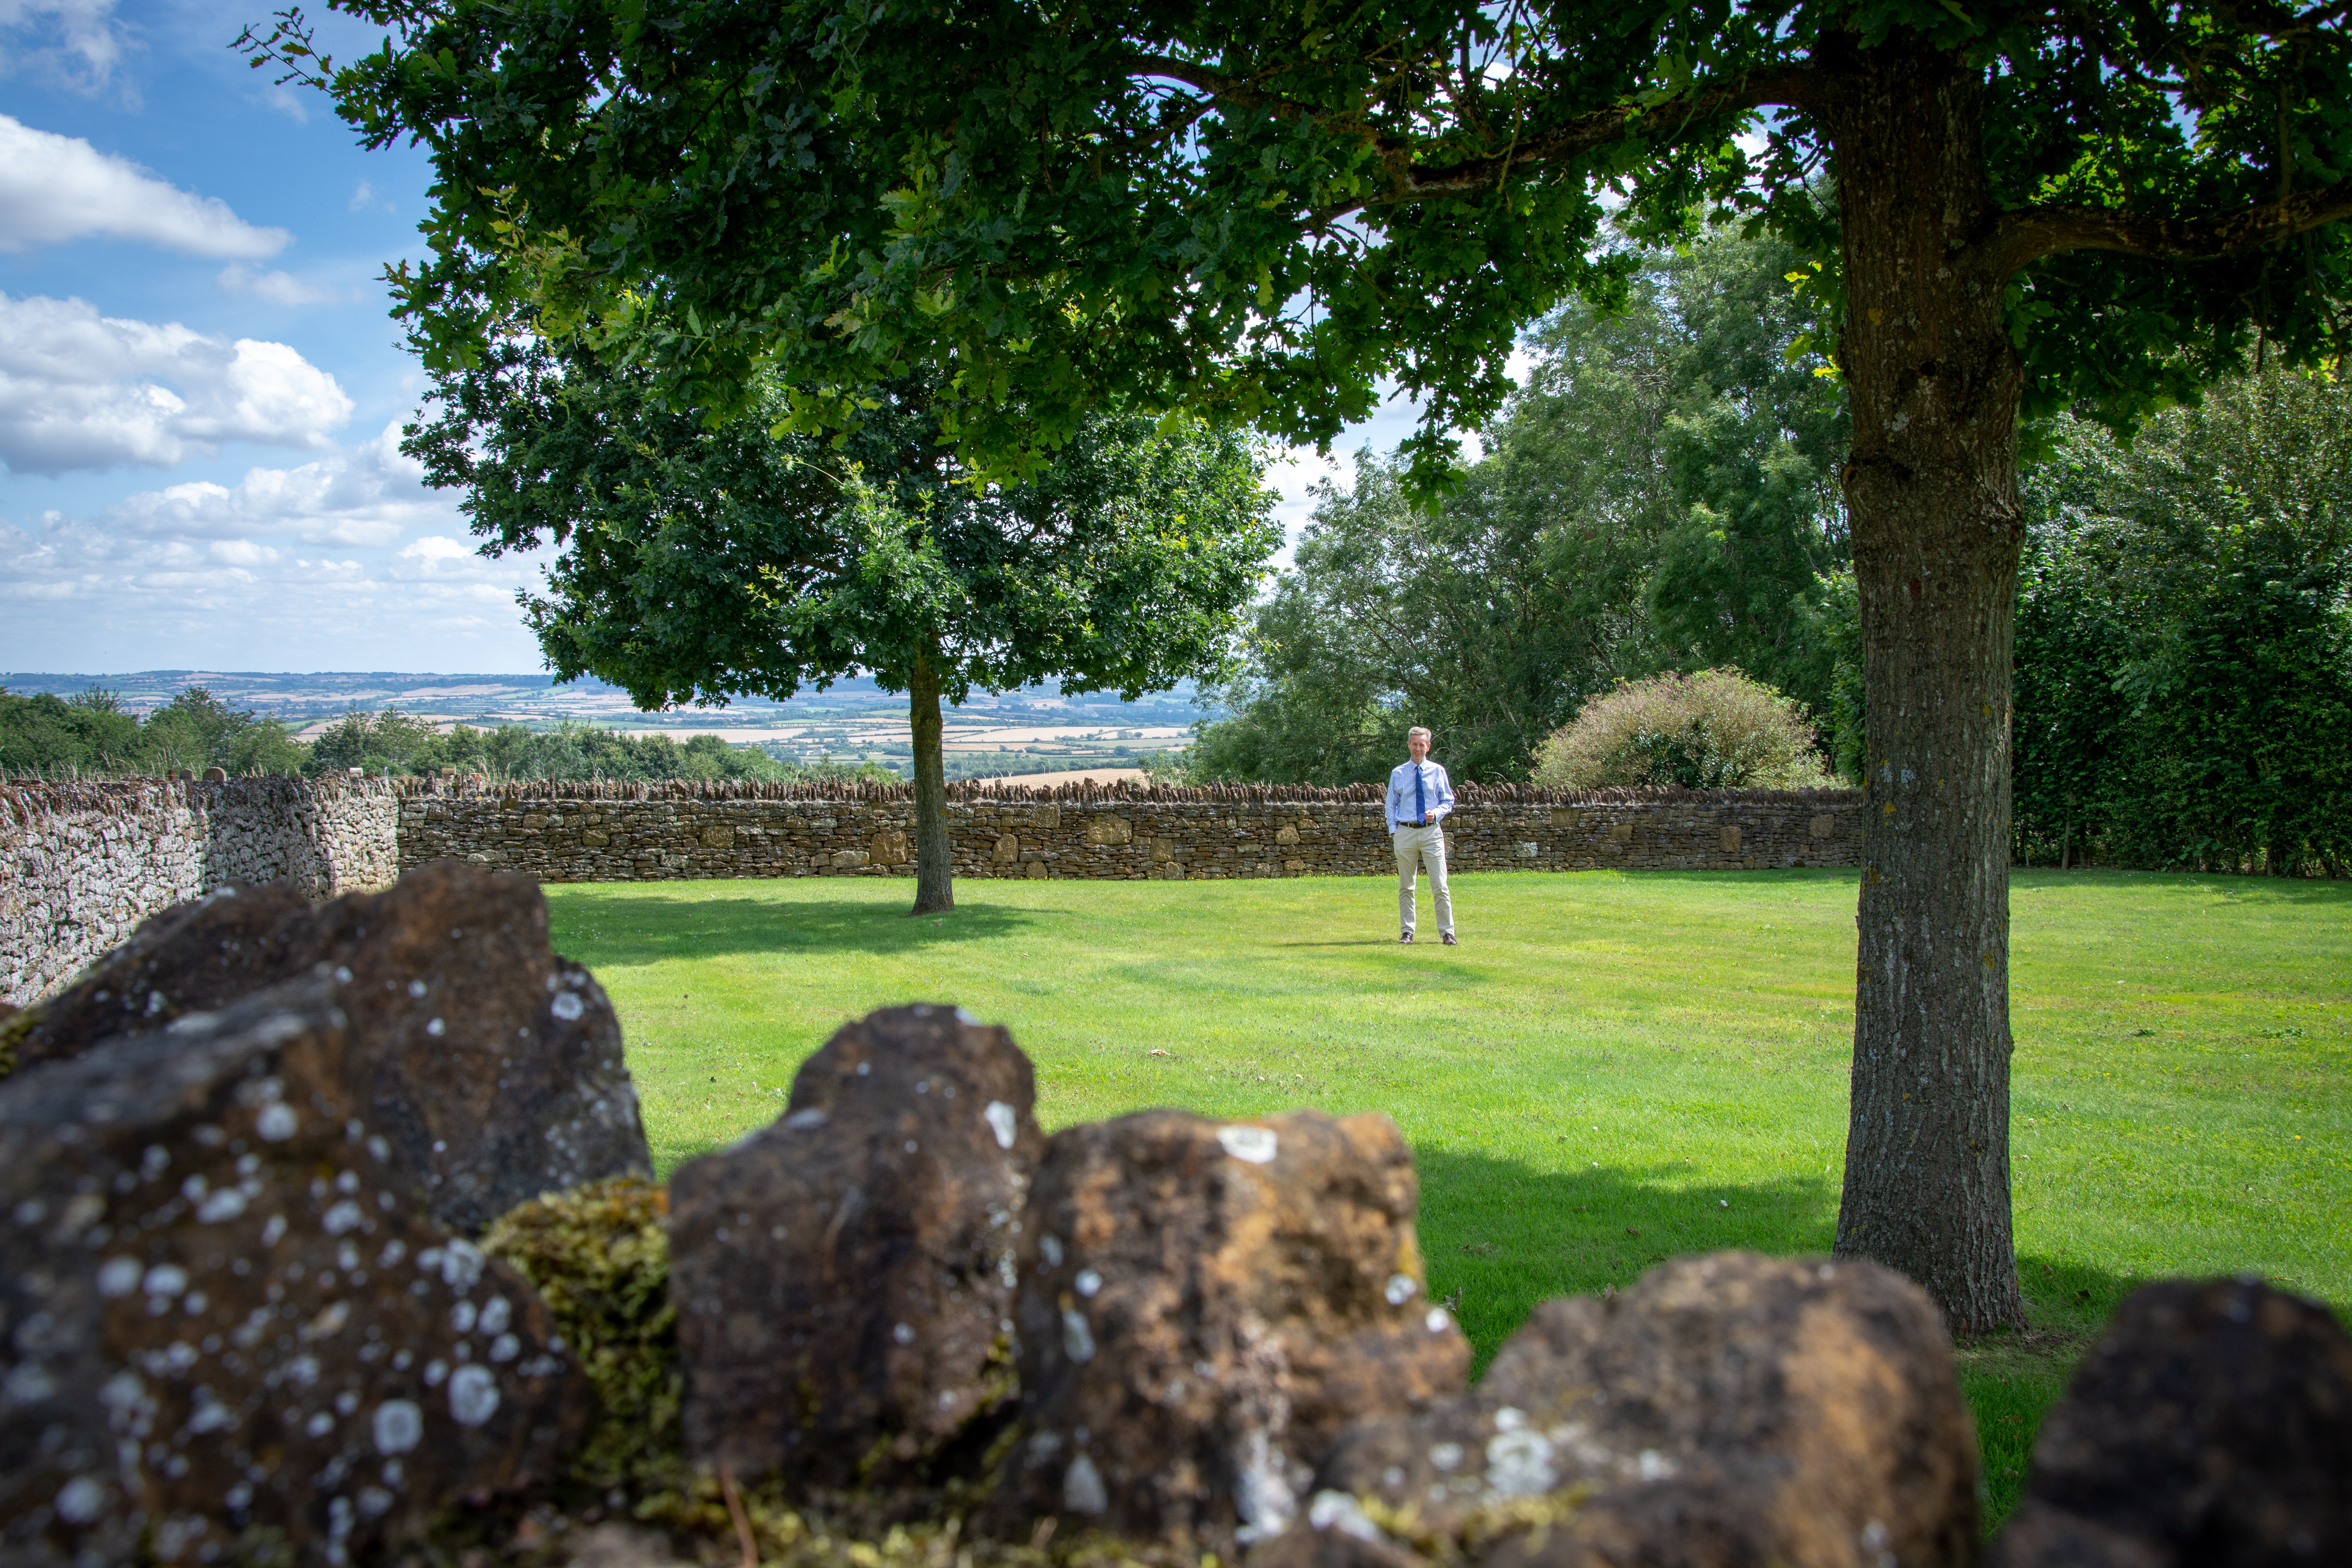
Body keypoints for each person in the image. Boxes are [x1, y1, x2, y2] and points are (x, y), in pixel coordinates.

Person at [1387, 726, 1456, 945]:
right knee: (1407, 886)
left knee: (1440, 885)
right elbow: (1391, 805)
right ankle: (1407, 932)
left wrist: (1435, 813)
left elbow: (1448, 800)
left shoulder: (1438, 771)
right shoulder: (1398, 773)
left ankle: (1447, 933)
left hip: (1431, 833)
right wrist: (1394, 832)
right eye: (1414, 744)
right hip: (1405, 833)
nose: (1418, 748)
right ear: (1409, 745)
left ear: (1428, 746)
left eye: (1422, 744)